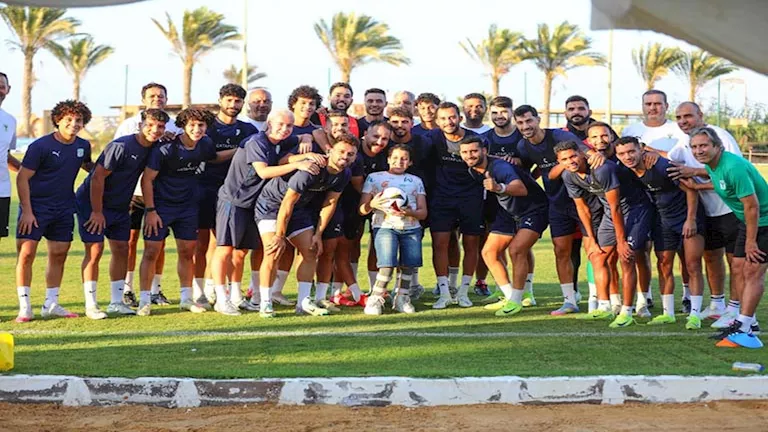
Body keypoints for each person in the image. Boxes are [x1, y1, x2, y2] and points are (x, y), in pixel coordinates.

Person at [209, 109, 319, 315]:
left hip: (254, 202)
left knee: (244, 251)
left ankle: (238, 296)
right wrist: (299, 163)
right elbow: (263, 172)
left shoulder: (281, 140)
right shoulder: (256, 141)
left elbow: (304, 135)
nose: (285, 129)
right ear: (269, 124)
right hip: (234, 200)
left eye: (289, 125)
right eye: (280, 124)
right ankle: (221, 299)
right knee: (225, 249)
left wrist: (306, 137)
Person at [76, 109, 169, 319]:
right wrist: (97, 212)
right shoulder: (121, 146)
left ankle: (116, 303)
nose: (155, 130)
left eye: (160, 127)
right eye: (150, 125)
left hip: (120, 205)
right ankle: (91, 305)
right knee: (95, 250)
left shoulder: (156, 147)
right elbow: (97, 177)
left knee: (121, 248)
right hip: (92, 203)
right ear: (140, 125)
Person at [255, 134, 357, 317]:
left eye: (351, 154)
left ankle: (303, 303)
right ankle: (265, 302)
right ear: (330, 151)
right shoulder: (311, 169)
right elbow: (287, 203)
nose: (345, 157)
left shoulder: (345, 173)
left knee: (311, 250)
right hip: (272, 206)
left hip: (299, 209)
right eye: (341, 151)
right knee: (273, 251)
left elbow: (330, 203)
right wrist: (279, 235)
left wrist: (318, 234)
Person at [514, 105, 601, 315]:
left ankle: (598, 300)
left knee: (593, 251)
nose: (525, 126)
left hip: (585, 202)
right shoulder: (523, 146)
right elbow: (530, 169)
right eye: (520, 123)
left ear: (538, 120)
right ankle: (569, 301)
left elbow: (582, 149)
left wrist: (593, 154)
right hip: (557, 204)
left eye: (529, 121)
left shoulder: (558, 136)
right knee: (561, 251)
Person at [556, 140, 653, 328]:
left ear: (582, 154)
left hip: (635, 210)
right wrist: (591, 239)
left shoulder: (602, 170)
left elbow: (617, 206)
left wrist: (621, 241)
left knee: (626, 258)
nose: (570, 161)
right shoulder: (569, 175)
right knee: (597, 257)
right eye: (564, 159)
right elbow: (582, 208)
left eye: (573, 156)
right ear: (559, 162)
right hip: (611, 213)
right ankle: (604, 307)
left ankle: (627, 311)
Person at [685, 127, 766, 348]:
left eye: (704, 145)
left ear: (717, 146)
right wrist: (697, 185)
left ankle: (745, 329)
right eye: (694, 147)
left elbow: (752, 206)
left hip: (763, 222)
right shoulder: (713, 166)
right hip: (748, 221)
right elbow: (722, 183)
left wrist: (751, 241)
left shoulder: (732, 166)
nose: (699, 151)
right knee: (739, 268)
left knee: (752, 272)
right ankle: (748, 321)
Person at [614, 136, 706, 329]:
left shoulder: (661, 167)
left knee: (692, 264)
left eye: (631, 151)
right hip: (662, 220)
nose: (627, 157)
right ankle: (668, 313)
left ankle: (695, 315)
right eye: (622, 154)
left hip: (687, 217)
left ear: (641, 149)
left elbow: (691, 189)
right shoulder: (625, 171)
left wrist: (691, 219)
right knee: (664, 264)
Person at [15, 100, 94, 323]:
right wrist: (27, 211)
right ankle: (25, 307)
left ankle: (51, 304)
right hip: (35, 208)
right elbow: (22, 178)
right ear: (58, 120)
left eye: (79, 120)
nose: (74, 124)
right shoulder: (40, 146)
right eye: (68, 119)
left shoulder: (83, 146)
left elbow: (89, 167)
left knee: (59, 254)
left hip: (64, 208)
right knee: (26, 254)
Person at [137, 108, 219, 316]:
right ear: (183, 126)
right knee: (151, 252)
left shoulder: (206, 144)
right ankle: (144, 300)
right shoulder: (166, 148)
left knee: (187, 252)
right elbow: (147, 180)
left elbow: (215, 158)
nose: (197, 129)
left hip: (187, 208)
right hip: (161, 207)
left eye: (201, 125)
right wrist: (151, 210)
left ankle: (186, 299)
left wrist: (241, 150)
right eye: (192, 125)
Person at [669, 101, 744, 321]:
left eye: (688, 116)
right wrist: (647, 153)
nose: (683, 121)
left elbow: (734, 172)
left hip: (731, 209)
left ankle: (735, 308)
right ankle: (717, 304)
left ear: (700, 115)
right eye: (679, 117)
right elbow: (670, 160)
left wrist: (693, 173)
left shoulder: (720, 136)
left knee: (735, 261)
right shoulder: (685, 141)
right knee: (711, 257)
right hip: (707, 211)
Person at [459, 136, 549, 317]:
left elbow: (520, 189)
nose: (470, 155)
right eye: (465, 152)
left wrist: (499, 187)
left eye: (474, 151)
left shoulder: (500, 167)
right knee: (488, 252)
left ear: (484, 151)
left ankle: (518, 299)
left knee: (517, 250)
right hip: (508, 212)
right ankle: (510, 297)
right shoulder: (473, 170)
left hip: (534, 210)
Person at [116, 83, 181, 308]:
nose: (157, 99)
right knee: (130, 240)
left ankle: (155, 289)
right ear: (143, 99)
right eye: (152, 95)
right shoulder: (129, 124)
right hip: (133, 192)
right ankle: (127, 288)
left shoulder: (175, 125)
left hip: (160, 193)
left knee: (157, 242)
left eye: (161, 96)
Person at [193, 84, 258, 308]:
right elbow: (209, 156)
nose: (233, 105)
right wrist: (240, 150)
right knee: (202, 244)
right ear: (220, 100)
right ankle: (200, 291)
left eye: (237, 101)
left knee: (230, 245)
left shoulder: (248, 130)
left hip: (235, 192)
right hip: (206, 189)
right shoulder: (208, 127)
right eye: (229, 100)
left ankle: (226, 291)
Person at [359, 144, 427, 315]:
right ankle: (375, 298)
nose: (399, 161)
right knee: (387, 264)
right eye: (395, 158)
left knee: (408, 265)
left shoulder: (416, 181)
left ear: (410, 162)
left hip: (411, 228)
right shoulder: (374, 178)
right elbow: (361, 209)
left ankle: (402, 298)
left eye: (404, 159)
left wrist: (409, 212)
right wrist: (372, 204)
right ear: (388, 159)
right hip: (385, 227)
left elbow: (423, 212)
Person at [427, 102, 483, 309]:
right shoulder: (431, 138)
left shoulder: (476, 139)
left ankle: (463, 292)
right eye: (443, 118)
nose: (448, 122)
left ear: (460, 117)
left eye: (451, 117)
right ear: (437, 121)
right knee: (439, 244)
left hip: (471, 198)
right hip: (442, 199)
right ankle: (444, 293)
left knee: (471, 244)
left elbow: (488, 162)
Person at [477, 96, 528, 301]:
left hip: (519, 197)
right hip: (493, 198)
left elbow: (533, 162)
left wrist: (519, 164)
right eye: (495, 112)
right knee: (497, 245)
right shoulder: (486, 138)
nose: (499, 116)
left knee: (522, 246)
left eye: (504, 112)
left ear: (511, 113)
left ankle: (527, 291)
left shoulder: (521, 136)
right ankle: (503, 287)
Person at [621, 89, 688, 153]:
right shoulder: (629, 131)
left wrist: (652, 151)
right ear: (642, 106)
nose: (652, 108)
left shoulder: (680, 130)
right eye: (648, 104)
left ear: (666, 106)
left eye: (657, 104)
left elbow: (685, 157)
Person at [0, 72, 21, 244]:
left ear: (8, 90)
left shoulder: (10, 120)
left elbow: (5, 155)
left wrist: (27, 172)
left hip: (2, 190)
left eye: (2, 86)